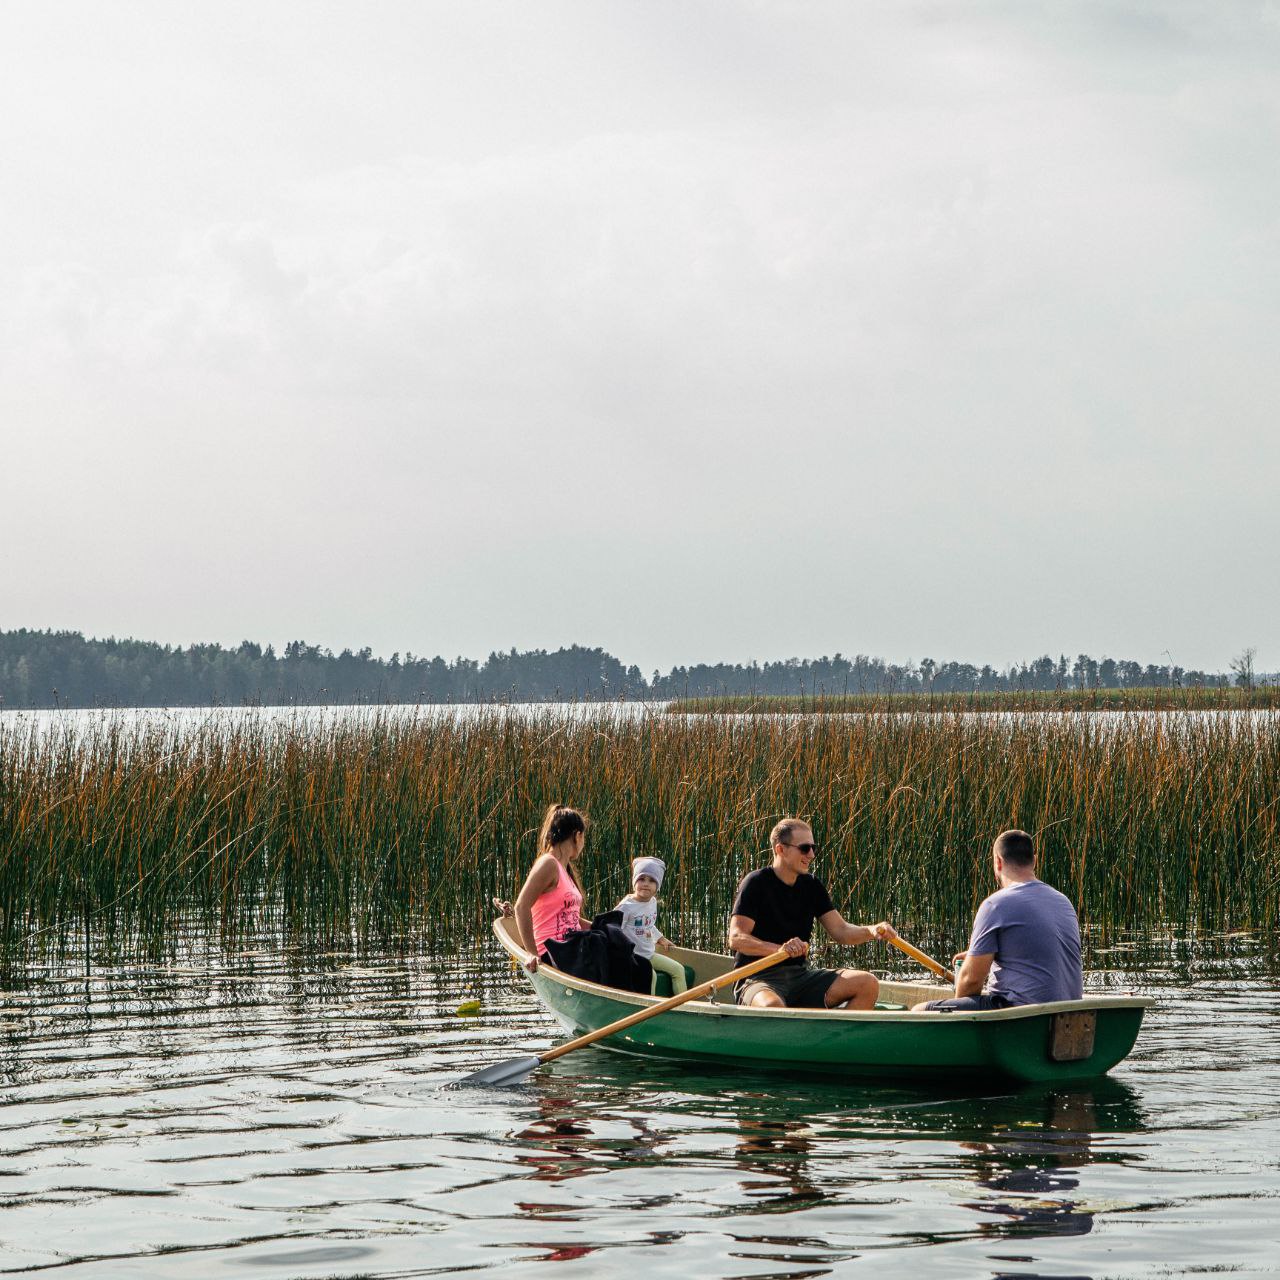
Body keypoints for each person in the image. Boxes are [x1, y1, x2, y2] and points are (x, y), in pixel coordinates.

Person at [729, 818, 897, 1010]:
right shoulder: (755, 882)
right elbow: (736, 939)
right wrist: (779, 950)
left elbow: (841, 931)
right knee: (772, 1006)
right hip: (757, 978)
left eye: (813, 848)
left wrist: (872, 930)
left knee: (867, 983)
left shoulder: (811, 885)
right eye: (804, 848)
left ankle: (836, 1039)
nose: (811, 854)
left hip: (800, 976)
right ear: (780, 849)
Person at [913, 829, 1083, 1011]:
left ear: (998, 862)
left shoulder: (995, 904)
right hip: (1070, 1014)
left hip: (1021, 1016)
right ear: (1034, 860)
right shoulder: (1063, 901)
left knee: (918, 1011)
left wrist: (965, 982)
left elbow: (970, 982)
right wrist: (980, 956)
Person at [511, 805, 592, 973]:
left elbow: (571, 919)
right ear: (577, 836)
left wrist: (601, 927)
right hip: (555, 952)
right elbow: (521, 906)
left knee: (613, 942)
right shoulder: (548, 864)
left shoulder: (565, 871)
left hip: (573, 948)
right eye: (584, 837)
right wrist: (531, 954)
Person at [614, 857, 687, 995]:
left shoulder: (652, 902)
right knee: (651, 976)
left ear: (657, 886)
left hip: (649, 954)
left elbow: (648, 925)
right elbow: (614, 930)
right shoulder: (626, 907)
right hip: (633, 957)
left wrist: (660, 938)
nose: (646, 884)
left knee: (678, 969)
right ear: (634, 881)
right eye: (642, 879)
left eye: (652, 880)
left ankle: (684, 1007)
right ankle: (651, 1012)